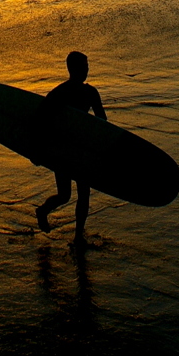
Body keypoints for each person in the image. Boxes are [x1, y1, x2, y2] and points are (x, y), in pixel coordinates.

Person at [35, 52, 106, 247]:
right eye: (83, 67)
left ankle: (77, 237)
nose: (86, 70)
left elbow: (103, 122)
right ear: (72, 69)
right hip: (63, 149)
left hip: (81, 149)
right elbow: (41, 118)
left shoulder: (91, 93)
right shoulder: (61, 92)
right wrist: (37, 150)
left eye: (87, 66)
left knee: (84, 193)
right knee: (64, 195)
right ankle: (42, 211)